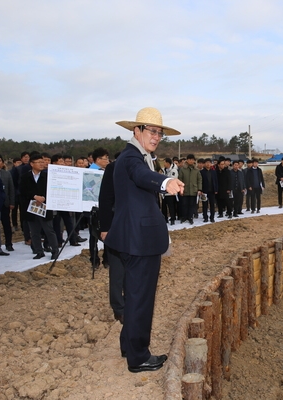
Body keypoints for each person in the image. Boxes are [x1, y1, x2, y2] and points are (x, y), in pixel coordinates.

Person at [105, 107, 184, 373]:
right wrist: (165, 183)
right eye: (152, 131)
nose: (157, 136)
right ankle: (138, 357)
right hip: (138, 241)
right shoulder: (131, 157)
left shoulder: (140, 156)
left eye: (160, 132)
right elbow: (142, 177)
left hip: (135, 239)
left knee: (135, 296)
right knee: (141, 298)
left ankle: (129, 346)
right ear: (136, 131)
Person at [98, 152, 125, 323]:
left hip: (136, 227)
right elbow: (105, 199)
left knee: (134, 268)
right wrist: (105, 227)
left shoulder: (144, 167)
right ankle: (119, 307)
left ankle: (131, 302)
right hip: (116, 224)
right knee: (117, 268)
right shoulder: (113, 168)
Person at [19, 154, 59, 260]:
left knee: (49, 230)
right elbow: (22, 191)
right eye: (39, 162)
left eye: (43, 162)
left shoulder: (48, 176)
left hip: (45, 207)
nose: (42, 164)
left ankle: (55, 250)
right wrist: (34, 197)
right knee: (34, 232)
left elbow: (52, 190)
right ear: (32, 164)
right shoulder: (25, 177)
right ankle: (38, 251)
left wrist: (43, 198)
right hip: (31, 208)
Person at [0, 154, 15, 251]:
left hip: (5, 203)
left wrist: (12, 202)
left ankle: (9, 244)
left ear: (2, 162)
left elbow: (11, 189)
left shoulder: (6, 174)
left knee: (6, 225)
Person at [178, 154, 202, 225]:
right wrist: (180, 189)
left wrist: (199, 189)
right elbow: (180, 180)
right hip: (185, 190)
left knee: (192, 205)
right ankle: (184, 217)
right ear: (187, 160)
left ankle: (190, 217)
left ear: (194, 160)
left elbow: (199, 180)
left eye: (192, 159)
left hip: (193, 190)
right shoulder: (183, 169)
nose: (191, 161)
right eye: (189, 159)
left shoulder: (196, 170)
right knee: (184, 204)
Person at [161, 158, 178, 225]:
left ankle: (172, 219)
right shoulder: (163, 170)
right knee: (163, 207)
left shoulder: (174, 171)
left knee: (171, 207)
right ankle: (165, 219)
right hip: (164, 193)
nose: (164, 164)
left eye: (164, 162)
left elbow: (172, 180)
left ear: (168, 163)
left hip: (170, 192)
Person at [200, 158, 217, 223]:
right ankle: (205, 217)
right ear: (204, 164)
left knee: (212, 205)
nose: (208, 164)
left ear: (211, 164)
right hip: (204, 191)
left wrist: (216, 189)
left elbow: (216, 181)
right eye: (206, 163)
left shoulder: (213, 172)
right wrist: (200, 190)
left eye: (209, 163)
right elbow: (200, 181)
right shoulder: (201, 172)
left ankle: (212, 217)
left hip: (212, 191)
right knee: (205, 205)